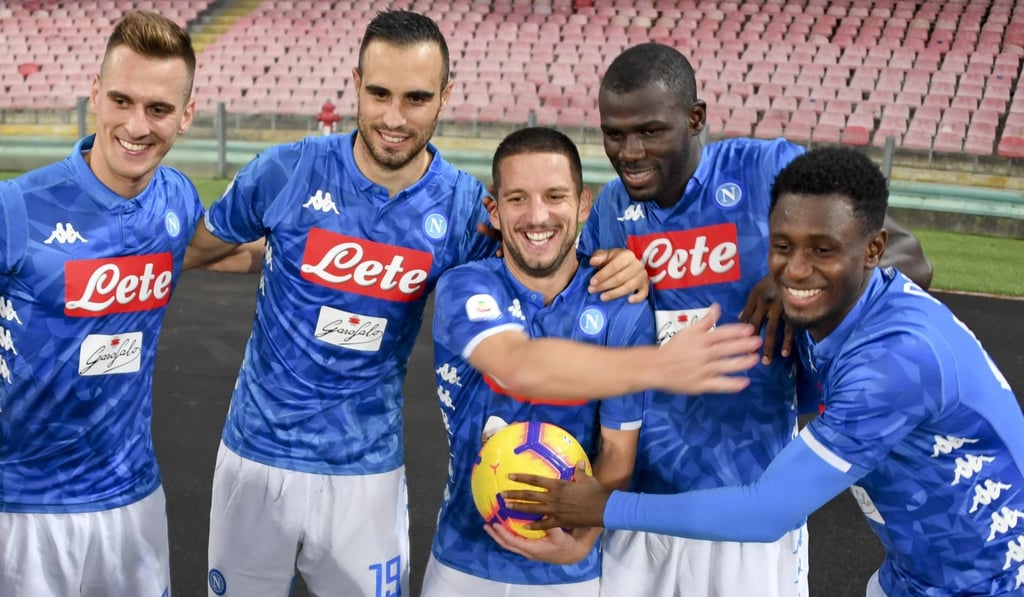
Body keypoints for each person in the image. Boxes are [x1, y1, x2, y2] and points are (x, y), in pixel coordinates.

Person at [188, 13, 760, 597]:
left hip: (367, 466)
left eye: (415, 98)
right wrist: (278, 257)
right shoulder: (288, 170)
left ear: (445, 96)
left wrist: (621, 260)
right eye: (379, 93)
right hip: (253, 457)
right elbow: (193, 252)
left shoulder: (464, 208)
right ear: (355, 82)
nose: (393, 117)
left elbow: (545, 243)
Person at [497, 146, 1024, 597]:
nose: (795, 270)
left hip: (988, 583)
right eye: (782, 248)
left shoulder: (891, 363)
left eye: (822, 250)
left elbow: (766, 511)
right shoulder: (849, 310)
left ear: (873, 251)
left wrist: (605, 507)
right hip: (912, 574)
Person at [534, 43, 932, 597]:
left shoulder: (769, 171)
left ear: (695, 119)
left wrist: (796, 277)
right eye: (614, 134)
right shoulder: (610, 213)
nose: (629, 152)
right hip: (639, 504)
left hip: (746, 505)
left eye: (649, 131)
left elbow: (910, 254)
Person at [424, 127, 744, 596]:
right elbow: (517, 365)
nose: (537, 216)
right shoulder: (465, 286)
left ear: (583, 204)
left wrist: (583, 540)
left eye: (555, 196)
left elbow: (616, 451)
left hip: (572, 574)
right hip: (463, 560)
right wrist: (658, 366)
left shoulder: (621, 303)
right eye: (517, 199)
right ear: (493, 209)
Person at [0, 11, 204, 596]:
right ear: (95, 95)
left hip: (133, 502)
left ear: (186, 116)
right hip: (26, 510)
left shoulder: (176, 199)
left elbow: (214, 253)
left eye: (159, 109)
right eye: (121, 100)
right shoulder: (20, 208)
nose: (136, 126)